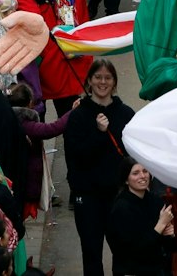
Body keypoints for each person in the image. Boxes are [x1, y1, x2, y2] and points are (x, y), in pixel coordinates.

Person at [65, 60, 136, 276]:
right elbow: (76, 157)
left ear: (114, 82)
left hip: (119, 196)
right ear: (89, 81)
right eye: (98, 77)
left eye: (107, 78)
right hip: (88, 197)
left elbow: (134, 154)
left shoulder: (126, 114)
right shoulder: (78, 116)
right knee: (92, 254)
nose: (102, 82)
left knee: (123, 253)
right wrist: (98, 133)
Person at [104, 161, 173, 276]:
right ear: (126, 180)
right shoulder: (121, 209)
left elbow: (165, 245)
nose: (142, 176)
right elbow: (135, 250)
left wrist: (170, 234)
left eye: (145, 171)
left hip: (156, 268)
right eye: (135, 173)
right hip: (131, 271)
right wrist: (161, 225)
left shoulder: (155, 201)